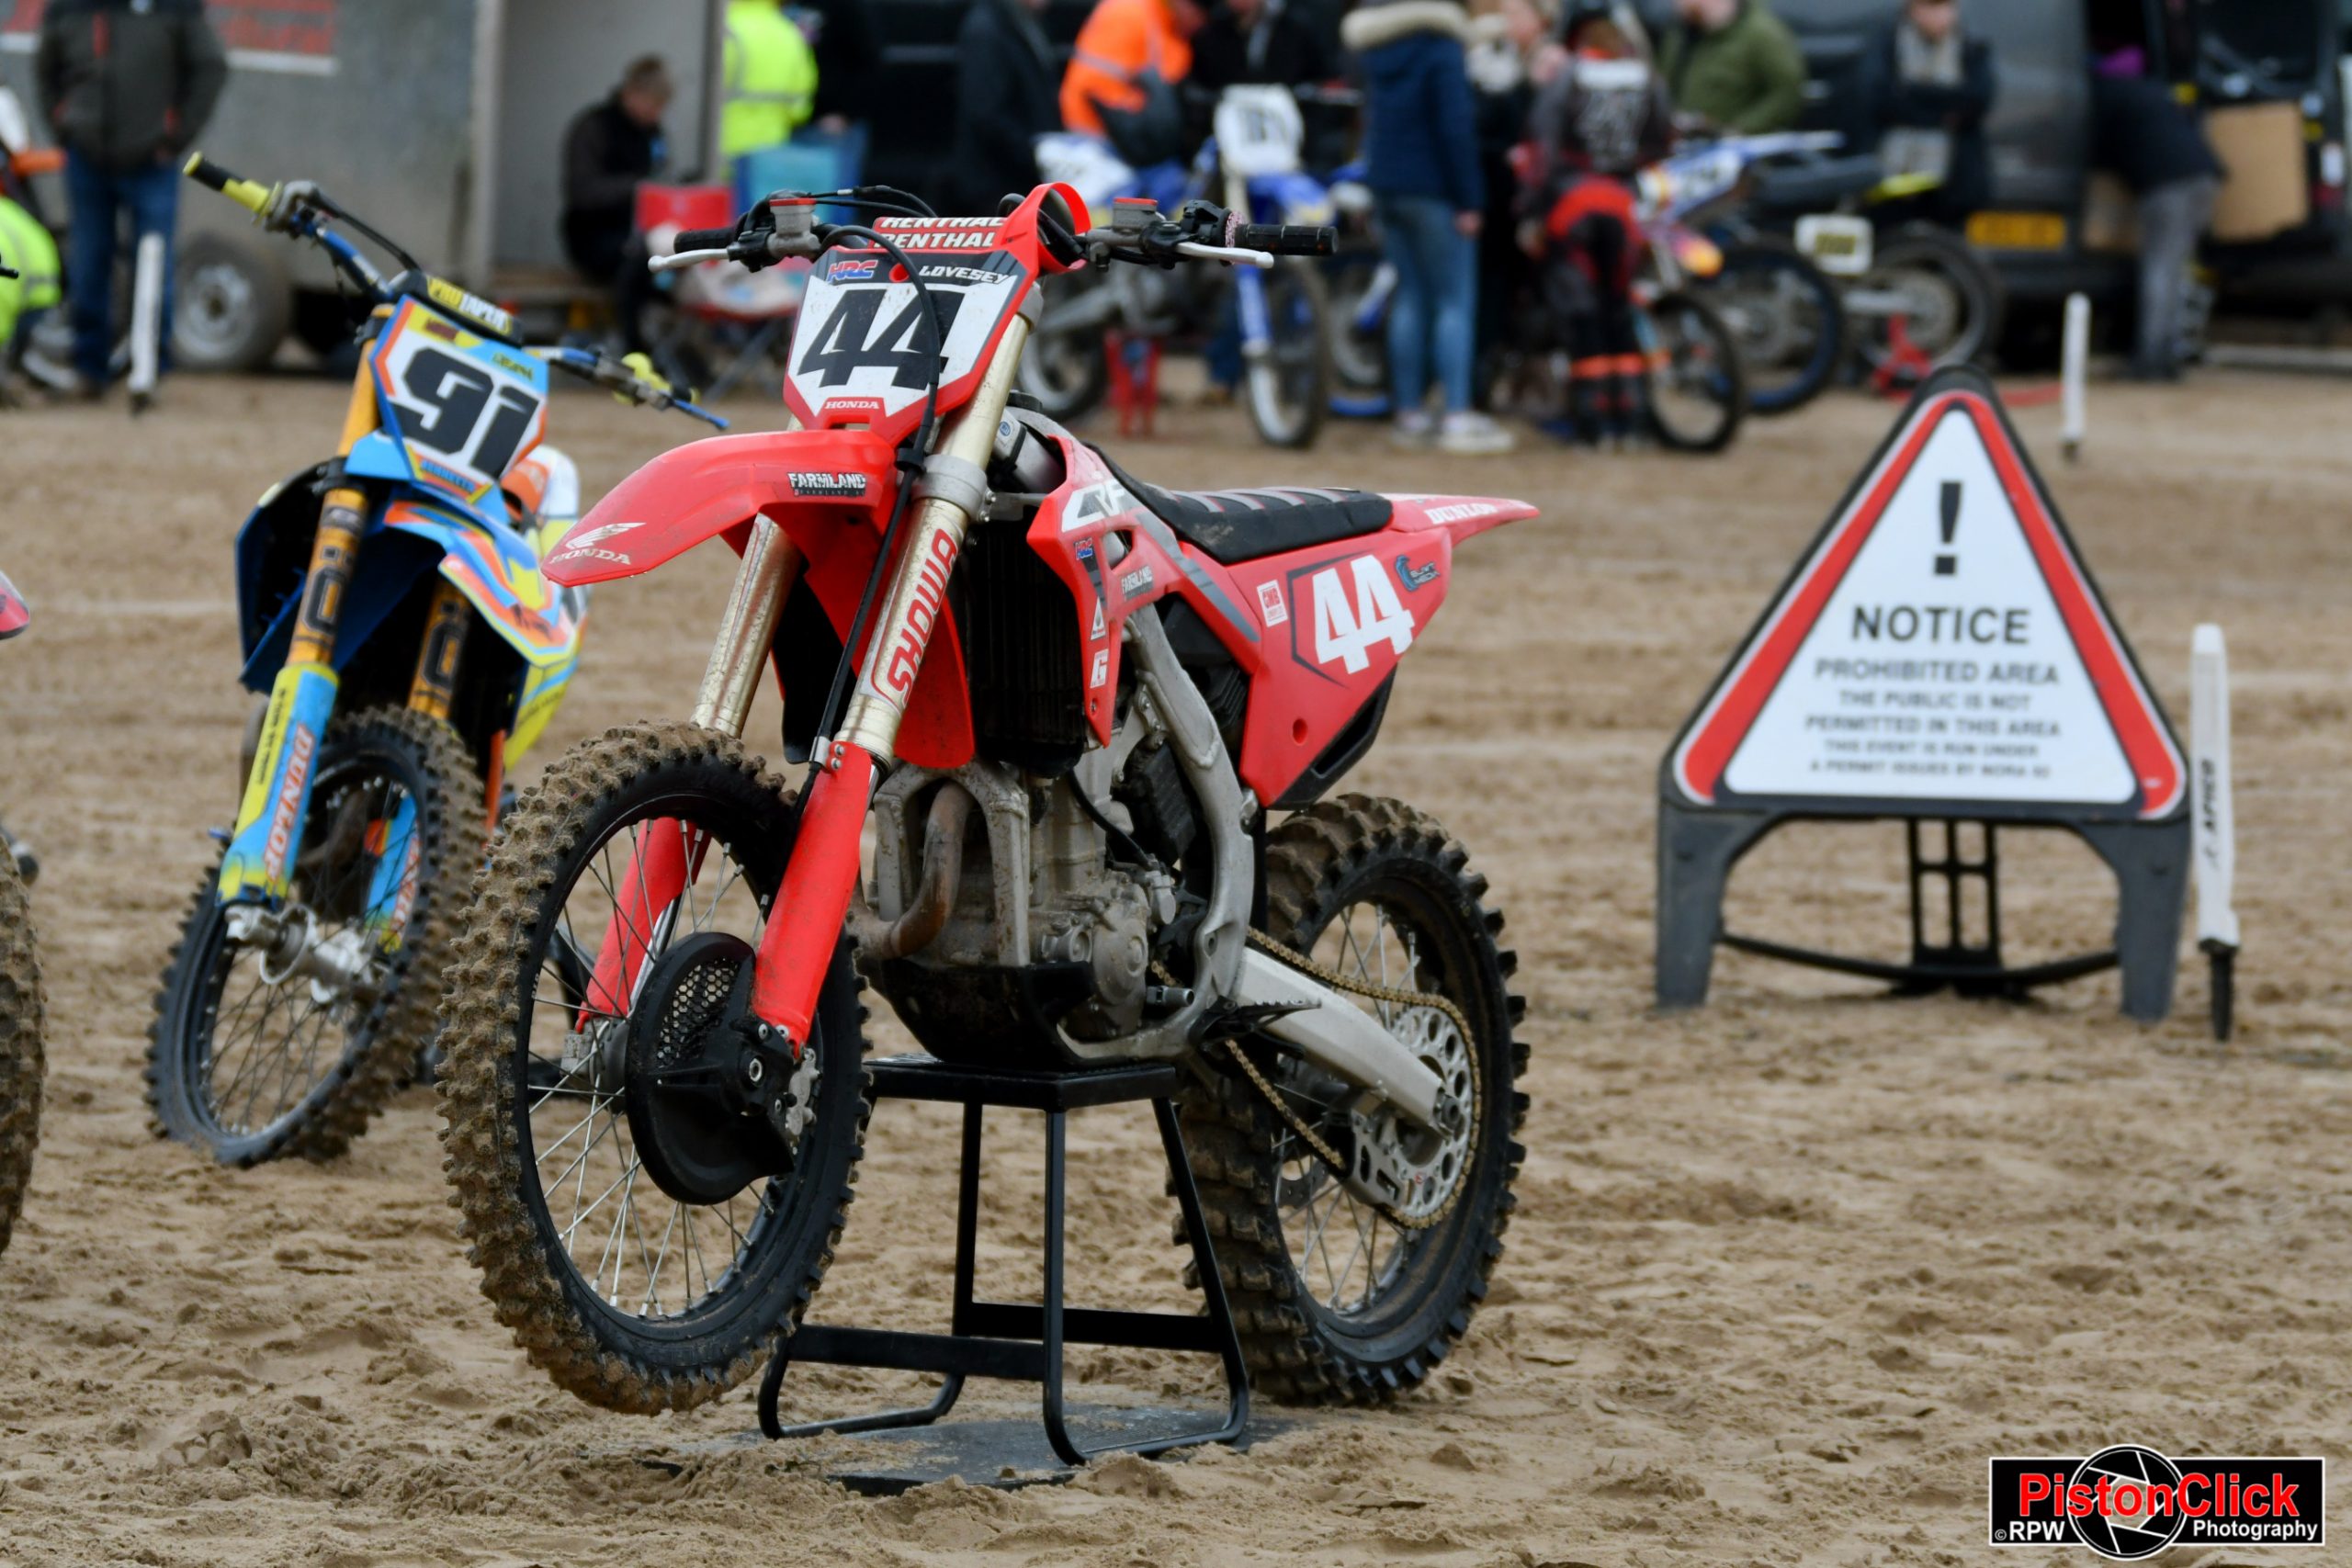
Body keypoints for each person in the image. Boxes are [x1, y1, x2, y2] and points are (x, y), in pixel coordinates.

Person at [1342, 0, 1513, 453]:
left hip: (1387, 185)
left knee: (1411, 298)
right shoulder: (1441, 49)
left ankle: (1410, 412)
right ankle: (1457, 414)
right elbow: (1454, 127)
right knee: (1455, 300)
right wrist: (1470, 198)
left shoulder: (1378, 49)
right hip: (1436, 189)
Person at [34, 0, 225, 399]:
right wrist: (63, 124)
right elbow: (45, 69)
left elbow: (210, 67)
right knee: (88, 262)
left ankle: (149, 369)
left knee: (154, 264)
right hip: (86, 157)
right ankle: (88, 369)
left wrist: (176, 135)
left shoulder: (174, 8)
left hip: (151, 159)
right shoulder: (68, 8)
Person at [1523, 0, 1674, 444]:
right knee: (1619, 307)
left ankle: (1590, 421)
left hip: (1573, 207)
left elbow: (1541, 147)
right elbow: (1660, 139)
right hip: (1621, 206)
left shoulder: (1568, 76)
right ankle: (1629, 416)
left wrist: (1531, 210)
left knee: (1581, 313)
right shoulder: (1646, 76)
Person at [2090, 59, 2223, 382]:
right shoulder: (2146, 89)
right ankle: (2169, 355)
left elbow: (2095, 147)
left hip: (2169, 184)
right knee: (2176, 270)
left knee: (2159, 271)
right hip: (2205, 177)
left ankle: (2152, 360)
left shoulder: (2103, 97)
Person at [1849, 0, 1996, 229]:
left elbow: (1978, 98)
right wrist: (1943, 107)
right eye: (1930, 7)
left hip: (1952, 180)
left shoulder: (1972, 44)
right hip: (1893, 171)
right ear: (1913, 9)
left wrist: (1913, 93)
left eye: (1944, 7)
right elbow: (1876, 96)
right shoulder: (1887, 39)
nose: (1939, 16)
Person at [561, 56, 672, 355]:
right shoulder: (594, 128)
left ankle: (672, 349)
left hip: (640, 232)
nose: (655, 114)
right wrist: (635, 189)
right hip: (593, 236)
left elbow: (659, 174)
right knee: (637, 260)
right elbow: (582, 193)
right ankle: (633, 346)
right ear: (631, 94)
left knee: (670, 255)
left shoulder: (652, 133)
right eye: (651, 105)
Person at [948, 0, 1064, 217]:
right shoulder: (987, 29)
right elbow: (985, 112)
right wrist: (1035, 154)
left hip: (1018, 181)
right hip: (996, 185)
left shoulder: (1022, 22)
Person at [1061, 0, 1206, 166]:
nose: (1200, 24)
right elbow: (1097, 83)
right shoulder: (1131, 13)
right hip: (1100, 136)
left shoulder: (1161, 19)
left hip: (1111, 133)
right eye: (1200, 15)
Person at [1656, 0, 1804, 135]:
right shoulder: (1681, 33)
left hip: (1730, 150)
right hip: (1681, 141)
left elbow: (1787, 92)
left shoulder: (1761, 34)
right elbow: (1663, 82)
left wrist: (1741, 129)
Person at [720, 0, 818, 177]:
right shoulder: (790, 34)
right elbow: (800, 108)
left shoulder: (726, 28)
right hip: (771, 156)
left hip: (723, 152)